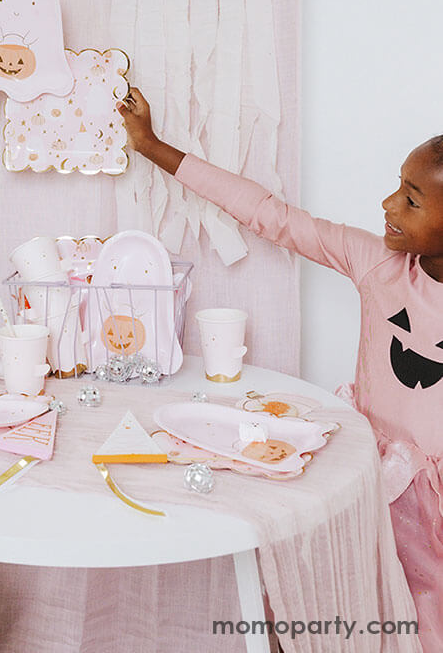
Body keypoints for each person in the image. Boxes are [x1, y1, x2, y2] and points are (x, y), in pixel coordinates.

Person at [118, 87, 443, 650]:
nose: (388, 205)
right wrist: (152, 147)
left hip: (431, 508)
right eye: (398, 187)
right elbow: (273, 216)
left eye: (412, 200)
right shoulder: (378, 266)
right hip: (363, 476)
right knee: (336, 605)